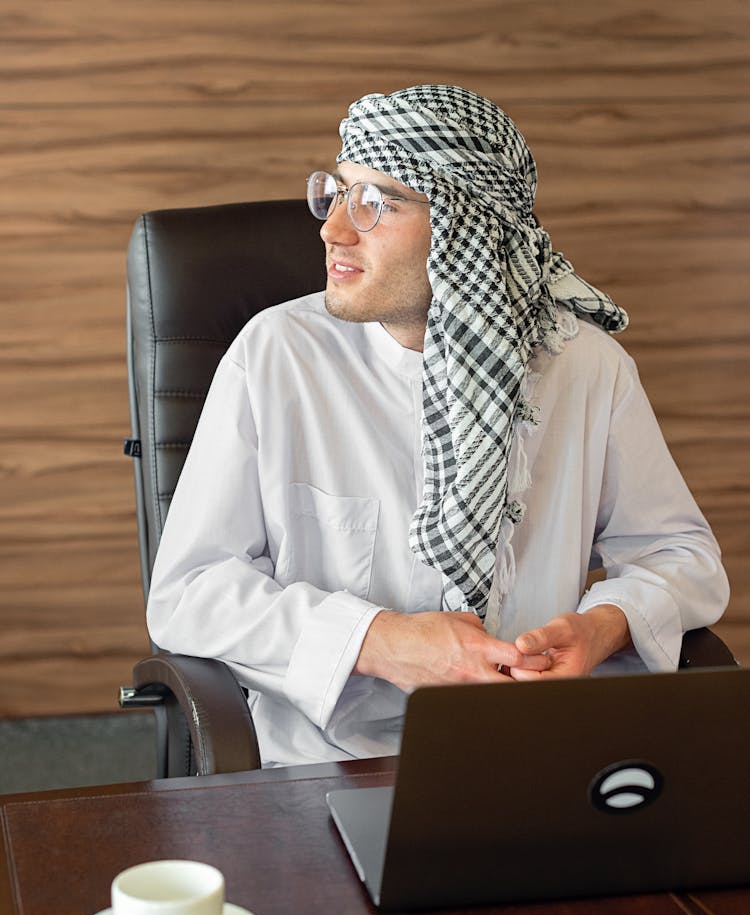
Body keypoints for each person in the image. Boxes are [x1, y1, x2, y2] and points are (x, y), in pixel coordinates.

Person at [146, 84, 729, 768]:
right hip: (336, 761)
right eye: (336, 192)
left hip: (540, 744)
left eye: (375, 203)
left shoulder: (584, 368)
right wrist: (379, 639)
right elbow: (190, 594)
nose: (333, 229)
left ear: (468, 230)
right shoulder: (275, 355)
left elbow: (682, 556)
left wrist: (605, 625)